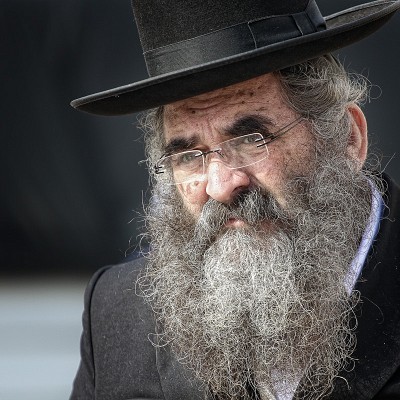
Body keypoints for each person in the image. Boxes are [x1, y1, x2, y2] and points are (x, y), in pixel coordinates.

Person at [69, 1, 400, 399]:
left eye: (250, 140)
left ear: (347, 139)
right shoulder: (116, 315)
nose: (220, 186)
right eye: (187, 155)